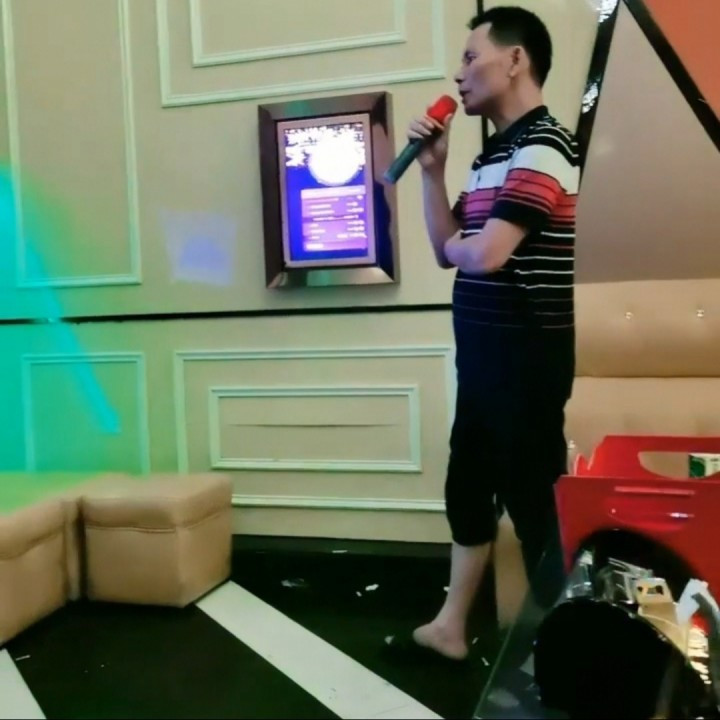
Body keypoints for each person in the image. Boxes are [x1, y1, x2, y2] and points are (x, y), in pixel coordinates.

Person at [405, 6, 580, 661]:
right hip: (484, 358)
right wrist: (432, 171)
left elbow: (484, 253)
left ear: (515, 60)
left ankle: (563, 656)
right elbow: (445, 246)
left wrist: (463, 248)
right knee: (469, 489)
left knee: (535, 505)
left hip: (526, 358)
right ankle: (451, 628)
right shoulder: (493, 156)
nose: (459, 73)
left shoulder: (546, 146)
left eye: (471, 57)